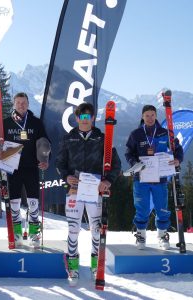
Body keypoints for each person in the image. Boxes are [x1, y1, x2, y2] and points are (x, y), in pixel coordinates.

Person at [56, 102, 121, 286]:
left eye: (88, 117)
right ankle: (73, 267)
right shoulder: (68, 138)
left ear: (93, 118)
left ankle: (95, 266)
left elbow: (115, 164)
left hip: (95, 190)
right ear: (77, 119)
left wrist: (108, 181)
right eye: (81, 117)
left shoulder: (103, 138)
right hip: (75, 189)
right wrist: (66, 176)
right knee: (73, 229)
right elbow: (60, 163)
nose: (84, 120)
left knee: (96, 230)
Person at [0, 92, 49, 249]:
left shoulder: (36, 123)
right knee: (14, 202)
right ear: (14, 104)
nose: (21, 105)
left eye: (24, 102)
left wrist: (44, 159)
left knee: (33, 202)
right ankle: (16, 233)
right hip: (12, 168)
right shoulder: (5, 123)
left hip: (31, 166)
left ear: (28, 104)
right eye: (18, 102)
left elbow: (45, 142)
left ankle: (34, 234)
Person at [125, 105, 183, 250]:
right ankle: (141, 234)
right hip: (141, 177)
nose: (150, 118)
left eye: (152, 115)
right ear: (142, 117)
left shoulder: (165, 133)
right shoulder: (136, 134)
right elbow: (128, 153)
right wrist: (134, 163)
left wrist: (177, 159)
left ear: (156, 116)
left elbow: (177, 148)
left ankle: (162, 235)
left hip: (160, 178)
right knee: (142, 208)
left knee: (161, 207)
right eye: (147, 115)